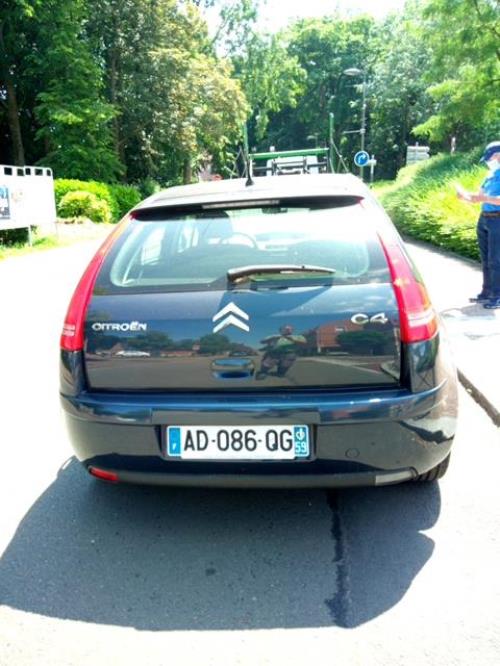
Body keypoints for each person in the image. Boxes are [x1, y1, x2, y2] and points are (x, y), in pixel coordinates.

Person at [456, 141, 500, 309]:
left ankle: (497, 295)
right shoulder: (491, 174)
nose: (489, 161)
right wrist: (465, 196)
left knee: (496, 259)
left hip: (497, 219)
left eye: (490, 158)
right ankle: (486, 292)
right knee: (486, 258)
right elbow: (479, 197)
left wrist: (483, 198)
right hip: (485, 218)